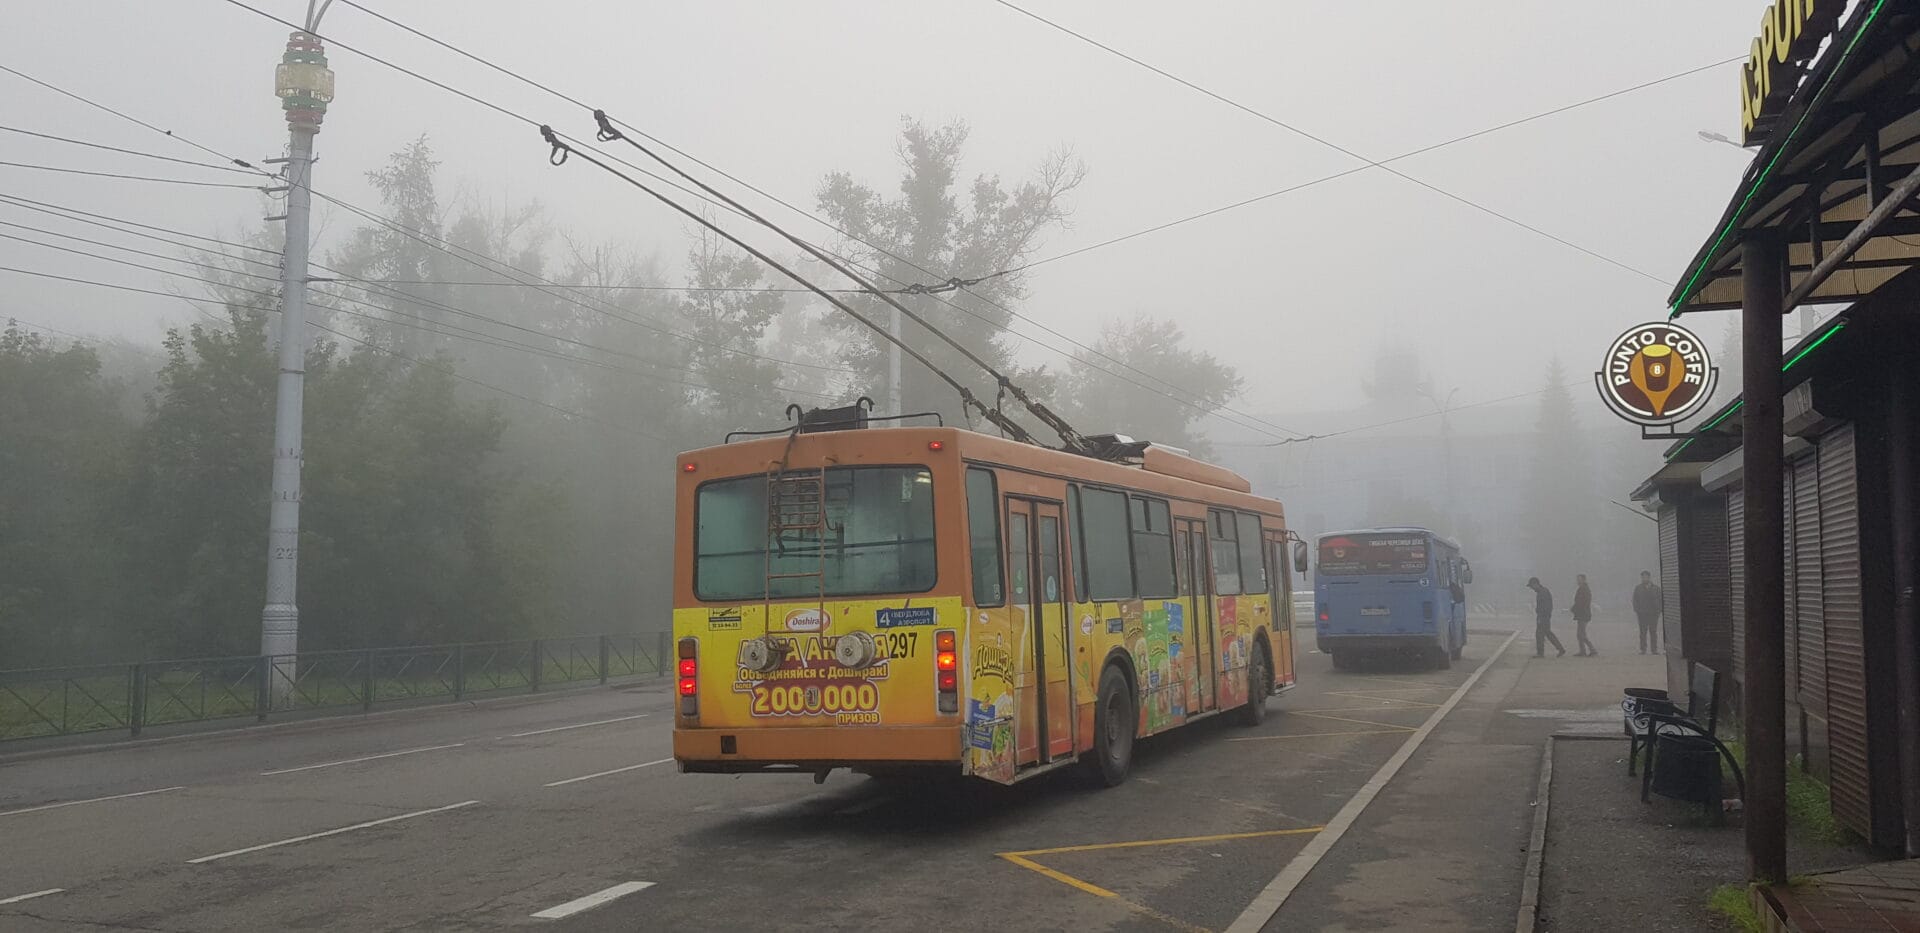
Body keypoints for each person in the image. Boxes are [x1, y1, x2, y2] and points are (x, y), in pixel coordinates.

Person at [1528, 577, 1564, 658]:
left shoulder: (1542, 592)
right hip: (1545, 616)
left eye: (1531, 586)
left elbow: (1545, 607)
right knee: (1548, 633)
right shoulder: (1543, 591)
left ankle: (1540, 653)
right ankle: (1561, 649)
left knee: (1539, 635)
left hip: (1543, 617)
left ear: (1535, 584)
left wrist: (1541, 617)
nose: (1531, 588)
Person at [1632, 571, 1664, 654]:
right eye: (1643, 577)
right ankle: (1643, 649)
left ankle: (1654, 649)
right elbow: (1634, 600)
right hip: (1642, 614)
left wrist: (1659, 610)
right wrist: (1637, 610)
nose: (1644, 578)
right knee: (1643, 632)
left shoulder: (1656, 588)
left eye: (1646, 577)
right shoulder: (1638, 588)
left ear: (1649, 577)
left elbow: (1661, 599)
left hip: (1653, 613)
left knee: (1653, 631)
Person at [1571, 574, 1597, 657]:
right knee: (1581, 634)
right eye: (1577, 579)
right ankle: (1583, 651)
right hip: (1582, 614)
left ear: (1584, 580)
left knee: (1581, 634)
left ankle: (1591, 650)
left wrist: (1574, 608)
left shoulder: (1584, 589)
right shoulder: (1583, 589)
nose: (1578, 581)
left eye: (1579, 579)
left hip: (1583, 614)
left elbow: (1581, 602)